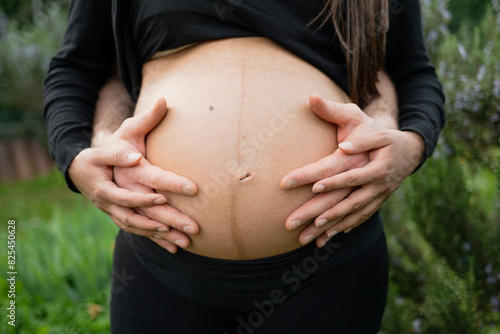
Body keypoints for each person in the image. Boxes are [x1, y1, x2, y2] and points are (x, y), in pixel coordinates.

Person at [43, 0, 445, 333]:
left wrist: (410, 145)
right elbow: (79, 66)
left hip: (327, 263)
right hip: (160, 262)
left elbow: (411, 71)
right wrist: (77, 155)